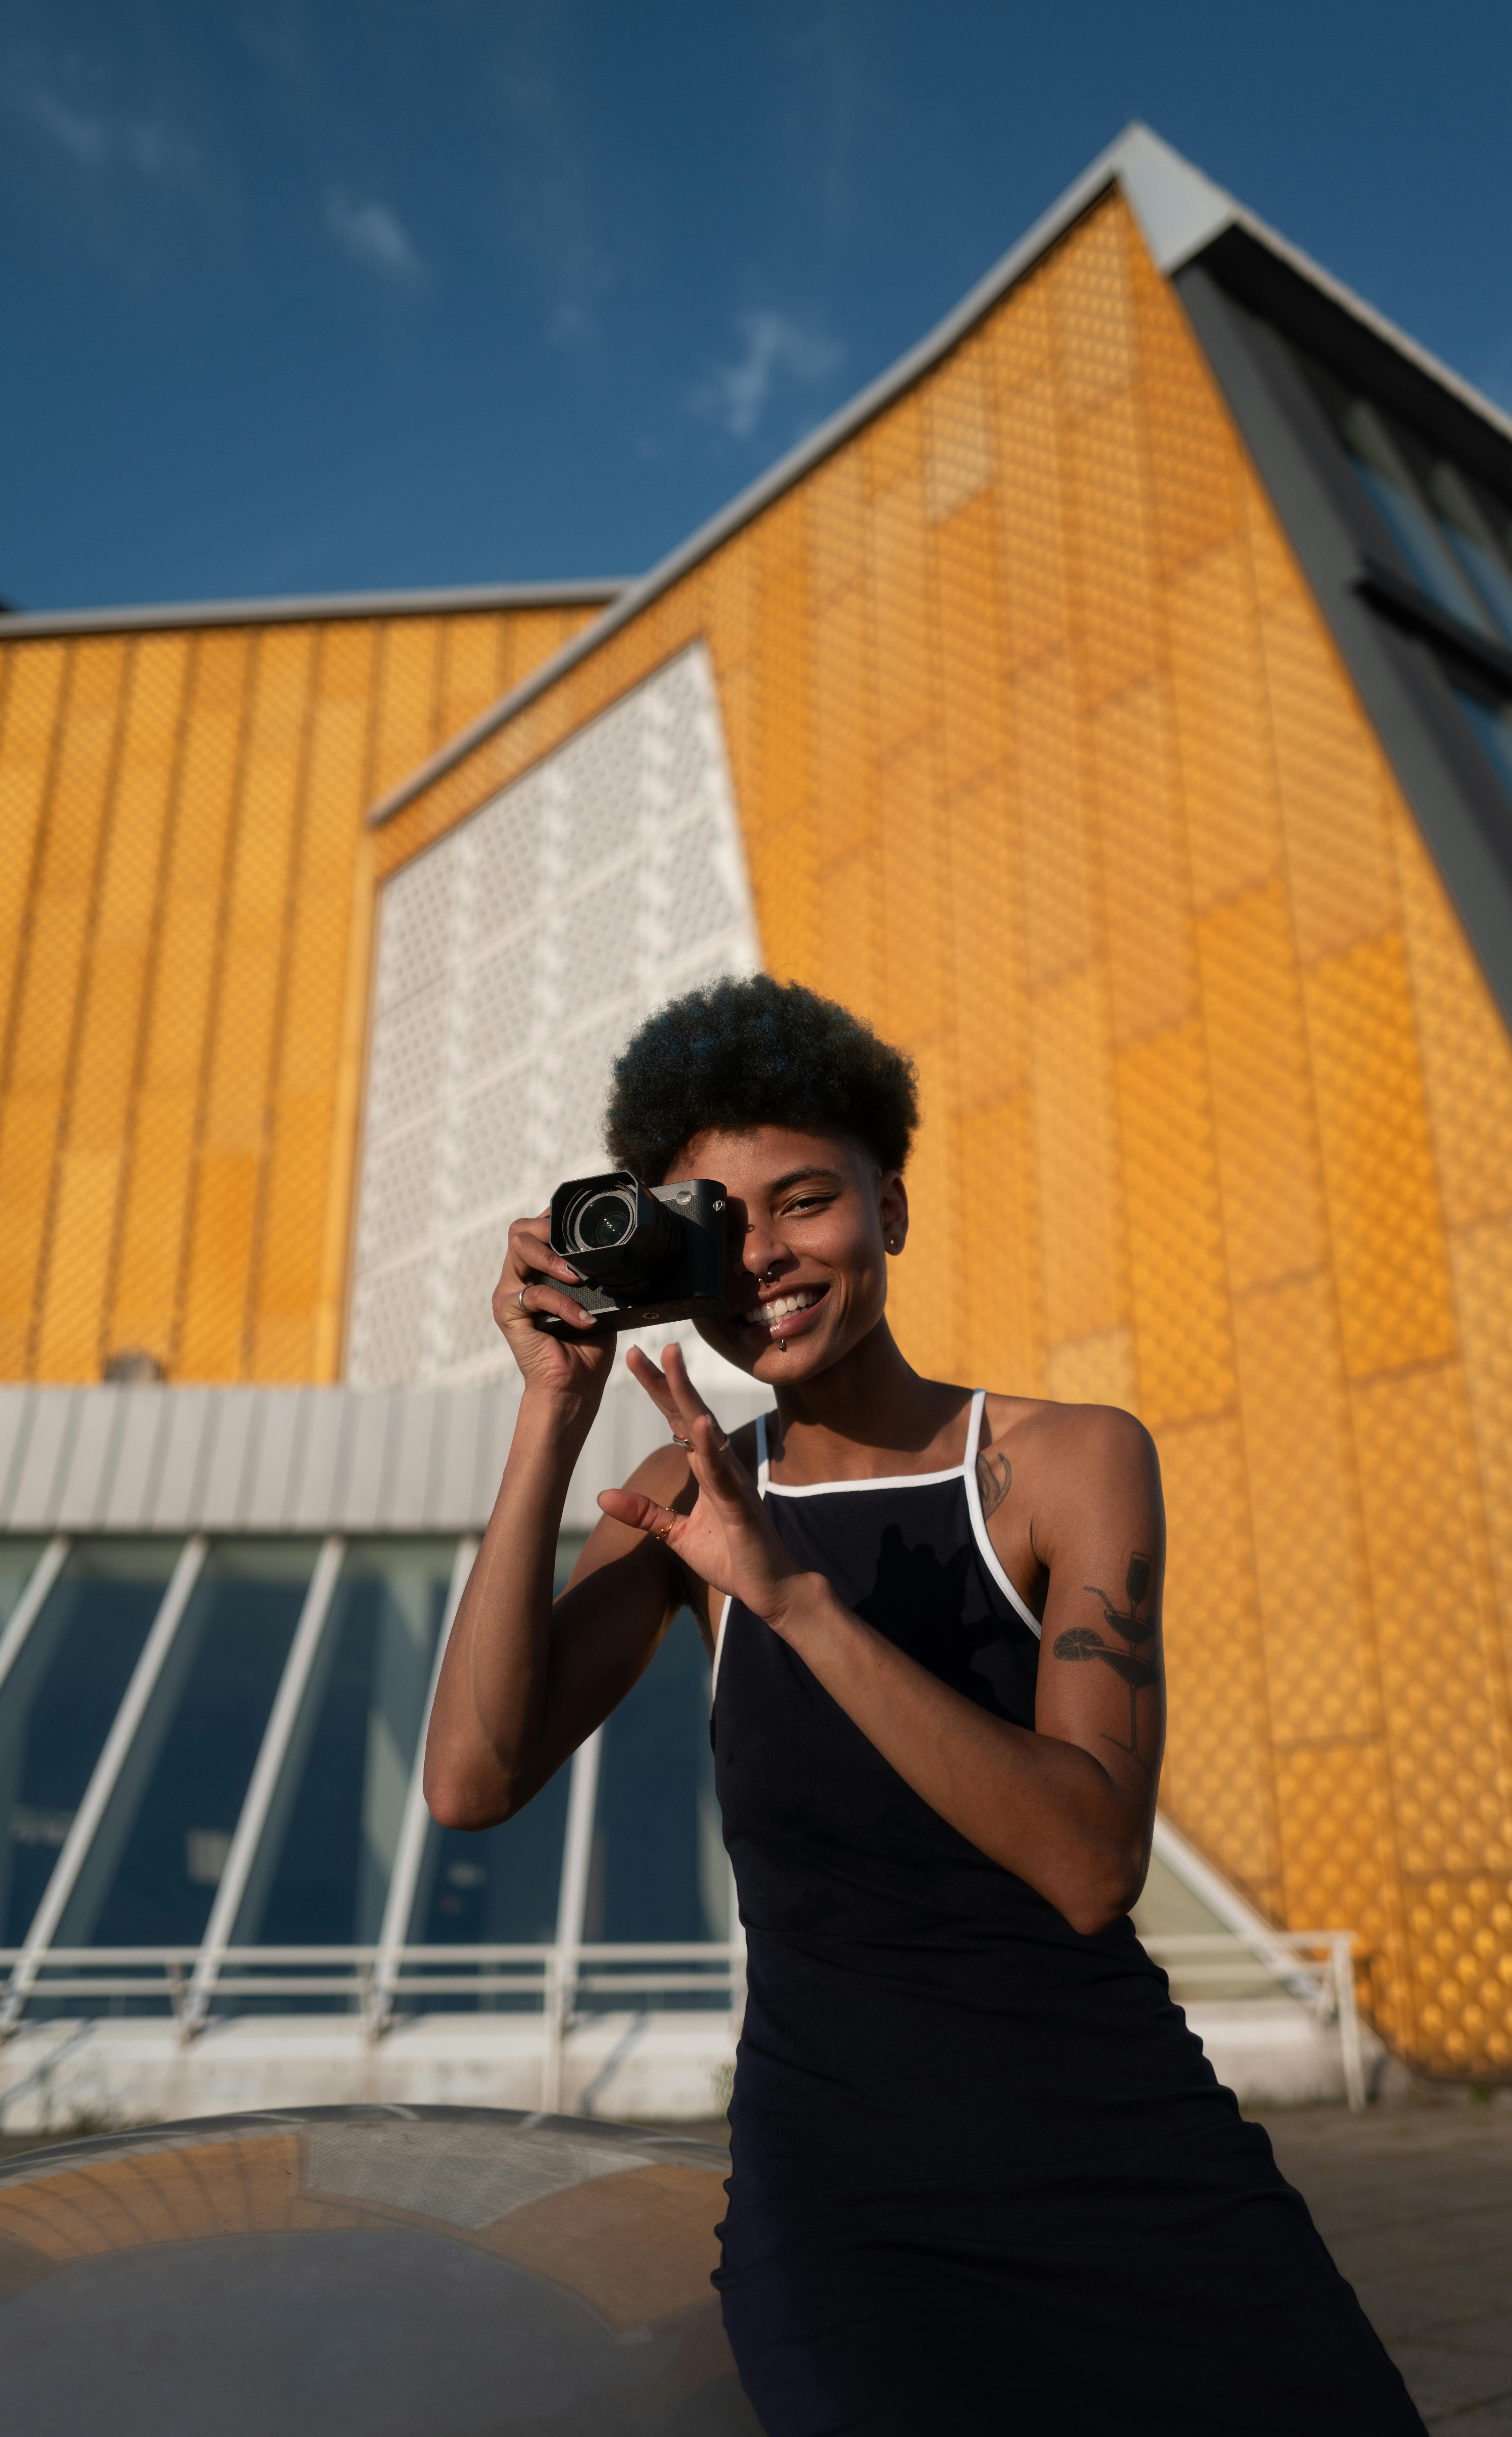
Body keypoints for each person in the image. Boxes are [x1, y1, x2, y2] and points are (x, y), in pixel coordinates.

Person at [423, 974, 1426, 2436]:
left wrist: (792, 1597)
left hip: (1128, 2165)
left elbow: (1088, 1863)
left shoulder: (1064, 1459)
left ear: (890, 1208)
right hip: (848, 2213)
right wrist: (553, 1408)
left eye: (806, 1199)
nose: (763, 1253)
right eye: (716, 1215)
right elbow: (470, 1775)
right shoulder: (681, 1502)